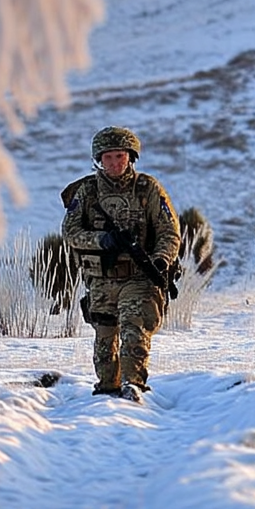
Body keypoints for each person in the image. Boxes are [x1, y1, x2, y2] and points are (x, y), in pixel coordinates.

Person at [62, 126, 181, 402]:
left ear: (131, 157)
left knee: (133, 331)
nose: (115, 163)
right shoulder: (87, 192)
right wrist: (104, 240)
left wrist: (162, 260)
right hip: (101, 279)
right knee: (104, 341)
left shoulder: (148, 188)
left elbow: (169, 231)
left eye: (120, 156)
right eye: (109, 157)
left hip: (139, 277)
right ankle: (106, 392)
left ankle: (134, 386)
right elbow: (70, 232)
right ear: (99, 160)